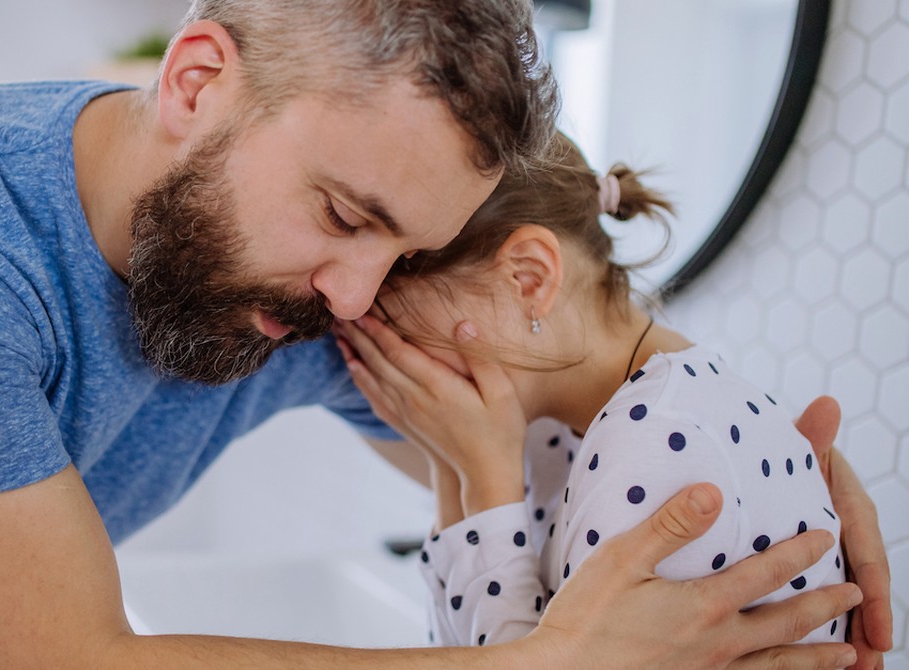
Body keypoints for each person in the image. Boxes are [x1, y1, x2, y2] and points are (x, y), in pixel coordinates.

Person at [0, 1, 886, 668]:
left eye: (401, 253)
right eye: (342, 214)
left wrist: (776, 495)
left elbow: (574, 407)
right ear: (194, 82)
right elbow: (67, 657)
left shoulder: (316, 288)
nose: (356, 295)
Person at [335, 132, 892, 668]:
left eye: (395, 331)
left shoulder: (657, 442)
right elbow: (463, 654)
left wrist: (484, 478)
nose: (397, 366)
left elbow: (533, 664)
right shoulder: (577, 422)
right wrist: (450, 461)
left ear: (528, 278)